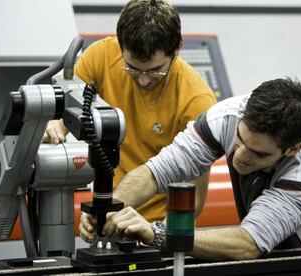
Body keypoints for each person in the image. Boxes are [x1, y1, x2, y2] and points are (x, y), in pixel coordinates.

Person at [79, 77, 301, 260]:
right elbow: (158, 171)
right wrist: (108, 208)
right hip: (283, 255)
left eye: (258, 153)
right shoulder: (228, 117)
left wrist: (155, 233)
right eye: (240, 140)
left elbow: (249, 243)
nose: (241, 157)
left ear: (292, 149)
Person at [44, 0, 217, 222]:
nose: (143, 80)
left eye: (155, 71)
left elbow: (193, 203)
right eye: (132, 68)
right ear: (121, 45)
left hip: (154, 222)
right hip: (107, 206)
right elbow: (62, 115)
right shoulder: (101, 57)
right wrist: (52, 128)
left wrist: (156, 236)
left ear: (176, 50)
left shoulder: (197, 101)